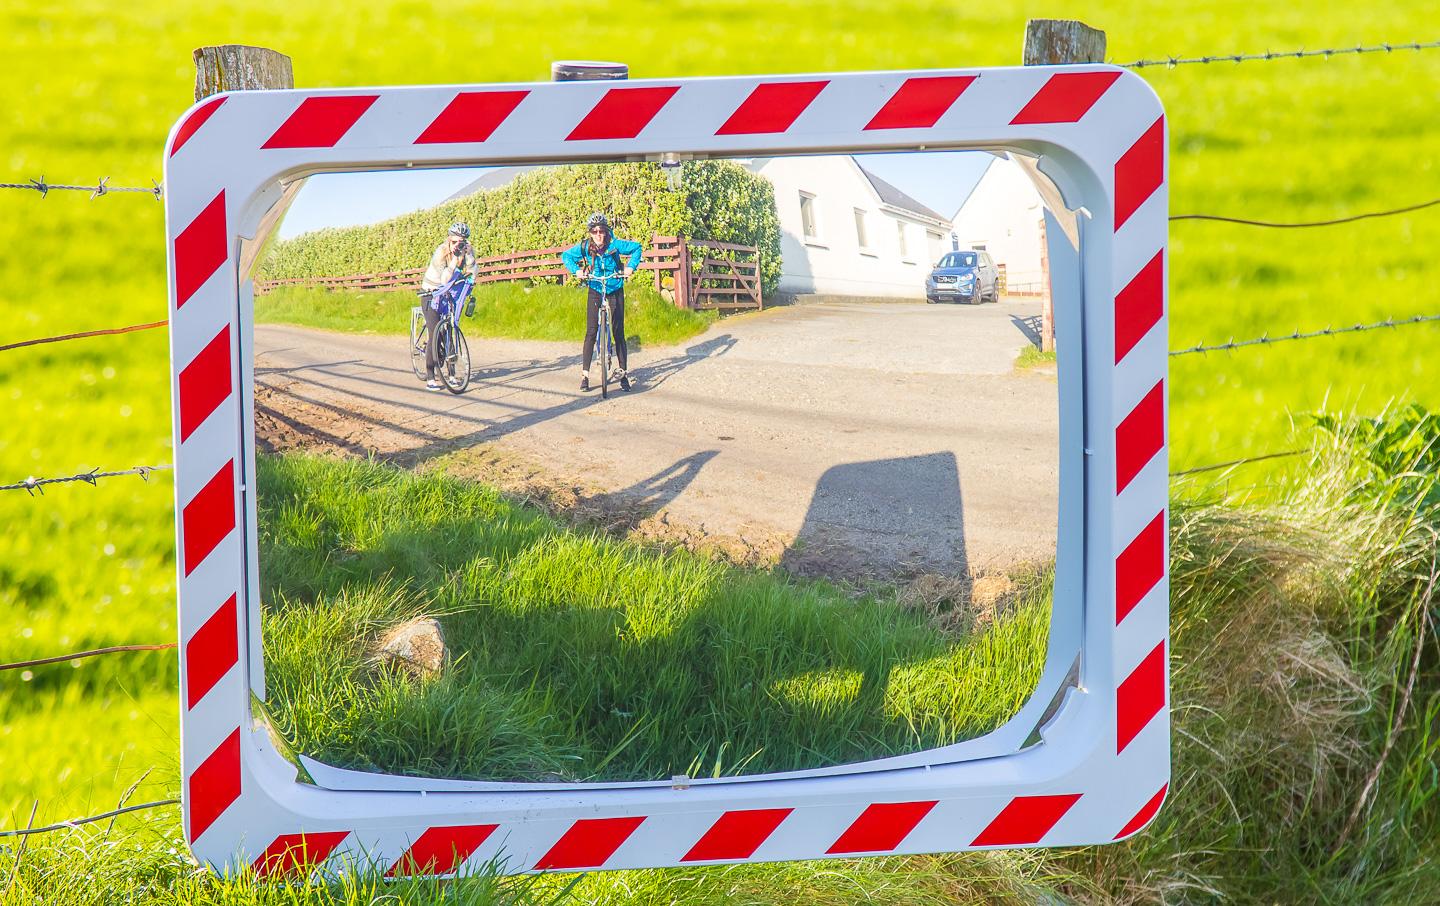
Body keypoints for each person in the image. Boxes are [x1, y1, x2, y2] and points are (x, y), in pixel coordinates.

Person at [560, 213, 644, 392]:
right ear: (590, 232)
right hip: (595, 288)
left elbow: (637, 248)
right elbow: (565, 256)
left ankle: (623, 374)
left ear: (606, 231)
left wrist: (630, 267)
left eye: (601, 231)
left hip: (614, 286)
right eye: (594, 231)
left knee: (618, 330)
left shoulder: (614, 245)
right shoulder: (585, 246)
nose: (598, 234)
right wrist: (577, 271)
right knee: (591, 331)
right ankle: (585, 376)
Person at [418, 222, 477, 391]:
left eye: (462, 241)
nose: (458, 245)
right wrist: (454, 262)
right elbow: (444, 279)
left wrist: (469, 256)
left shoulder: (466, 251)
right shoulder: (440, 253)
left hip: (448, 292)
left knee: (450, 330)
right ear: (449, 240)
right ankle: (430, 376)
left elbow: (473, 272)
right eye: (455, 241)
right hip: (431, 293)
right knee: (435, 332)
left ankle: (451, 375)